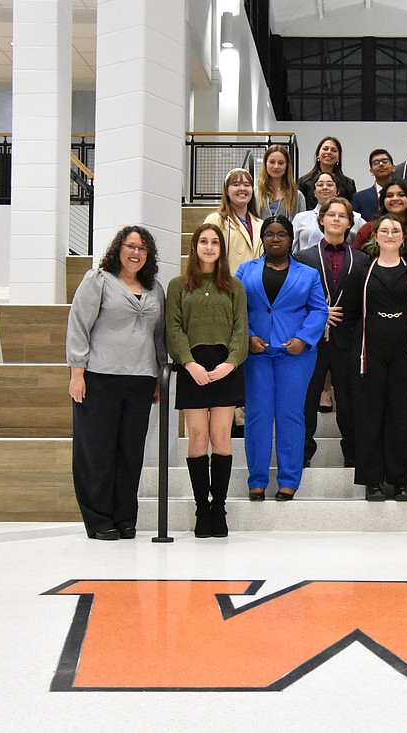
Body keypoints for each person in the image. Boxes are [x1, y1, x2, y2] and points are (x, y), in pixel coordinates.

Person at [66, 225, 166, 541]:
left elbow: (158, 335)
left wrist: (158, 376)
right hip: (99, 378)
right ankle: (98, 519)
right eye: (130, 246)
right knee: (96, 452)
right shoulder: (98, 281)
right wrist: (77, 372)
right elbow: (79, 324)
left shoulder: (155, 289)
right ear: (118, 249)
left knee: (130, 453)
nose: (135, 253)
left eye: (142, 248)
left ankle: (125, 518)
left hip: (140, 380)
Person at [236, 215, 329, 500]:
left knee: (290, 415)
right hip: (257, 353)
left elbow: (319, 310)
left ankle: (289, 479)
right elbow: (235, 307)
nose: (275, 239)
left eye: (282, 234)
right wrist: (248, 335)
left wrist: (303, 338)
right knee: (257, 415)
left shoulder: (309, 273)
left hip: (295, 354)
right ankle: (257, 480)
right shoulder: (244, 270)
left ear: (291, 239)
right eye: (269, 234)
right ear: (262, 239)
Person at [165, 223, 248, 539]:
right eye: (204, 241)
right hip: (193, 370)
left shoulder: (234, 287)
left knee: (221, 439)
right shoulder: (178, 286)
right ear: (194, 247)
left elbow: (241, 328)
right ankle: (203, 508)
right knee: (198, 438)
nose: (210, 247)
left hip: (225, 367)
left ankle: (220, 508)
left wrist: (231, 362)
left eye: (215, 242)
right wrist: (188, 362)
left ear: (221, 250)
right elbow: (173, 329)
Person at [353, 214, 407, 501]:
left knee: (402, 418)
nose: (390, 235)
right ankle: (372, 481)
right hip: (369, 354)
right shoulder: (362, 272)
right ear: (374, 236)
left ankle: (400, 481)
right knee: (370, 417)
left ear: (403, 238)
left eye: (396, 231)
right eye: (384, 231)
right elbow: (350, 312)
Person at [293, 197, 369, 468]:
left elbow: (365, 302)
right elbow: (293, 300)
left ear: (350, 223)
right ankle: (301, 454)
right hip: (312, 340)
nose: (336, 219)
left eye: (342, 215)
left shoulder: (362, 260)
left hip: (347, 338)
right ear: (321, 219)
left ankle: (353, 453)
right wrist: (318, 314)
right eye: (331, 214)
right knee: (306, 398)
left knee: (349, 401)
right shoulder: (303, 258)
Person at [352, 180, 407, 276]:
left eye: (401, 195)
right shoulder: (367, 229)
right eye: (389, 196)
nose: (395, 198)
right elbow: (356, 263)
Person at [204, 168, 262, 275]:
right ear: (226, 190)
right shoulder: (216, 220)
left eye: (247, 185)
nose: (242, 188)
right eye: (236, 184)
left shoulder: (261, 224)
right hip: (225, 286)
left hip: (255, 288)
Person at [292, 172, 365, 251]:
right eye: (320, 185)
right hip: (304, 261)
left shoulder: (354, 217)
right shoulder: (300, 218)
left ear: (337, 191)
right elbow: (291, 246)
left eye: (330, 185)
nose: (325, 187)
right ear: (314, 192)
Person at [297, 136, 357, 208]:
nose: (328, 152)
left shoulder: (348, 184)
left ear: (338, 158)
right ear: (318, 155)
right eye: (325, 149)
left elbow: (351, 211)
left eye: (333, 150)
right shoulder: (304, 182)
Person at [257, 145, 306, 218]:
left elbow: (302, 224)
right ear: (265, 163)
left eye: (281, 163)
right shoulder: (255, 193)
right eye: (272, 162)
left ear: (287, 166)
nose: (276, 166)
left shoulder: (297, 196)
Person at [350, 148, 395, 221]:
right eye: (376, 163)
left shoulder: (403, 195)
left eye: (385, 161)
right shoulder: (359, 198)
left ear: (393, 168)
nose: (381, 164)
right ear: (371, 171)